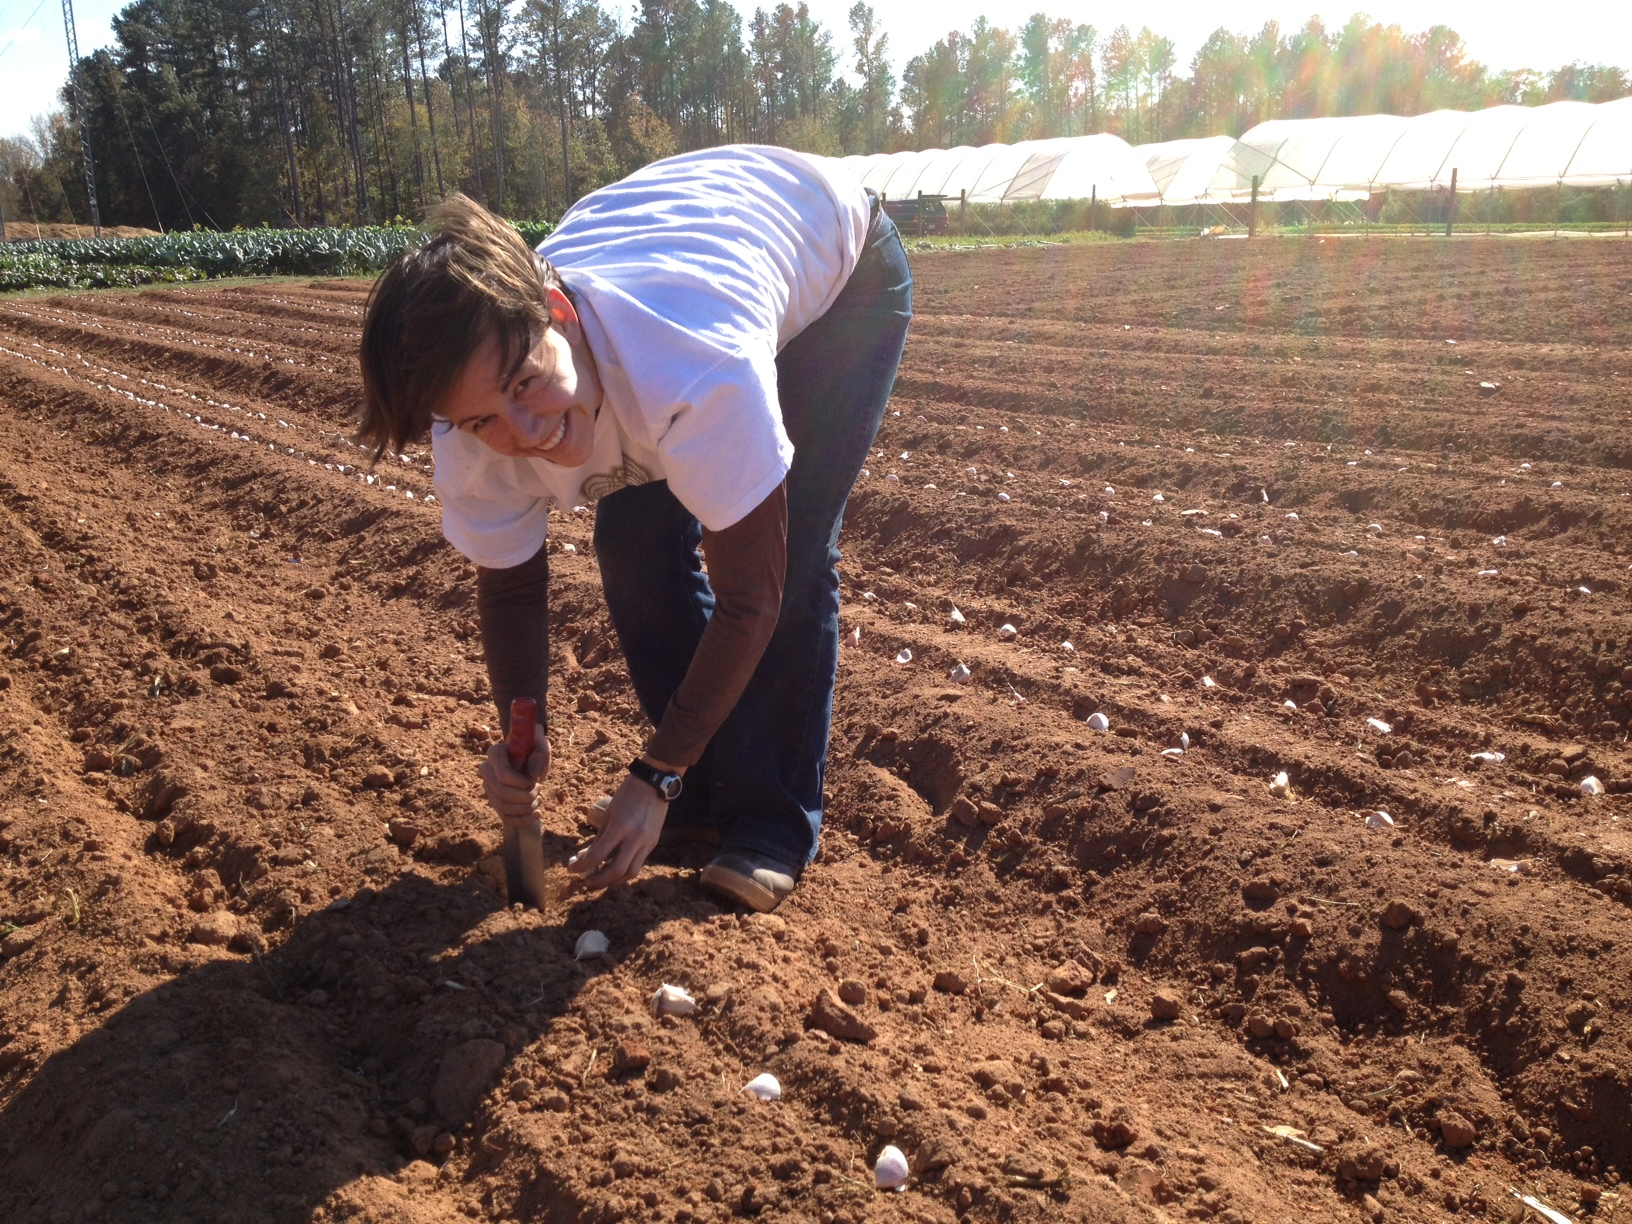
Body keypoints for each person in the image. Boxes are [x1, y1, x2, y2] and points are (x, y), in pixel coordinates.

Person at [357, 145, 912, 912]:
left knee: (797, 559)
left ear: (555, 315)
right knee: (633, 551)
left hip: (835, 273)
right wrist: (524, 729)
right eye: (484, 418)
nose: (527, 433)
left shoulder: (691, 365)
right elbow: (514, 593)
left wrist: (652, 775)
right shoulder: (473, 433)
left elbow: (754, 596)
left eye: (527, 383)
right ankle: (700, 790)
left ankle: (769, 824)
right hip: (676, 255)